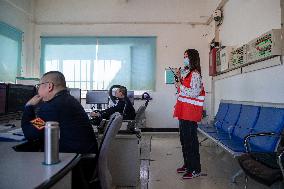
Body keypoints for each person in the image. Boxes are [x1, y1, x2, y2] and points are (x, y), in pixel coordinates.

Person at [21, 71, 98, 154]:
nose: (38, 89)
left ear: (49, 86)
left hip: (76, 161)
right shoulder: (67, 100)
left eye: (39, 86)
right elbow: (39, 128)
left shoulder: (53, 106)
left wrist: (28, 106)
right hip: (84, 156)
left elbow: (30, 134)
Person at [173, 49, 205, 179]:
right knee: (184, 140)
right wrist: (178, 79)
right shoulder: (186, 73)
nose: (184, 58)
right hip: (183, 111)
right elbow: (180, 90)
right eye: (184, 56)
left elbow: (194, 92)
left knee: (191, 141)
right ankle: (187, 165)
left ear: (192, 58)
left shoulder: (195, 74)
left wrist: (180, 85)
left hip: (190, 113)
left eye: (186, 56)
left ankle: (195, 169)